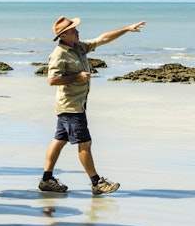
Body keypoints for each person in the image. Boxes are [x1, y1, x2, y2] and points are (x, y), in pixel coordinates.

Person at [40, 15, 146, 195]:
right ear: (64, 35)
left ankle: (47, 179)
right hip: (71, 106)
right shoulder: (58, 55)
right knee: (85, 143)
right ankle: (96, 183)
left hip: (75, 105)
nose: (77, 32)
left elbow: (102, 38)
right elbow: (52, 80)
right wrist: (77, 77)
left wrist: (126, 29)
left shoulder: (79, 47)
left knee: (59, 140)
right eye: (73, 30)